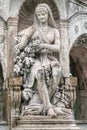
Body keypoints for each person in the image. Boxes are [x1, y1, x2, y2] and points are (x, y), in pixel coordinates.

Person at [14, 3, 61, 117]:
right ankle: (49, 108)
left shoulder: (54, 31)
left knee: (57, 72)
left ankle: (43, 104)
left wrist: (44, 45)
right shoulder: (33, 29)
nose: (41, 17)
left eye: (43, 14)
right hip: (35, 59)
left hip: (49, 58)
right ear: (36, 16)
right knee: (39, 72)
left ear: (48, 15)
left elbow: (58, 48)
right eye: (39, 15)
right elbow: (21, 47)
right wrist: (27, 36)